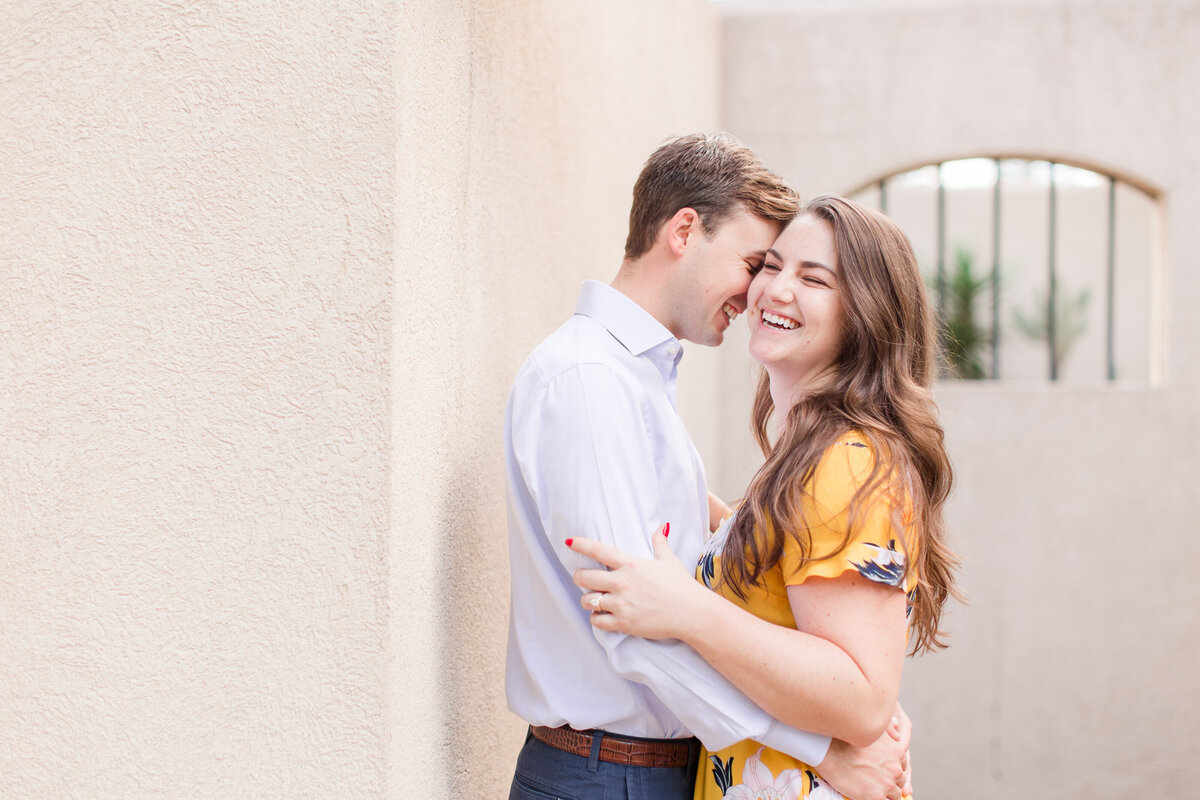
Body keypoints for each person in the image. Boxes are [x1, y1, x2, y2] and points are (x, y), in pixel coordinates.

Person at [505, 136, 911, 800]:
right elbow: (635, 632)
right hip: (611, 776)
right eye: (758, 263)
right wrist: (822, 749)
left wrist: (864, 701)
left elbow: (696, 575)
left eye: (804, 276)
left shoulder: (636, 382)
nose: (760, 291)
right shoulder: (588, 383)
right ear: (685, 230)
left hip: (653, 769)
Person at [568, 195, 960, 799]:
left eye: (813, 279)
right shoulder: (804, 461)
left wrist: (687, 610)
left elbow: (862, 700)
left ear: (865, 314)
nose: (774, 290)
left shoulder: (848, 463)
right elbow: (773, 567)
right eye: (770, 266)